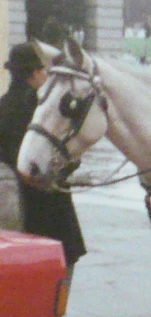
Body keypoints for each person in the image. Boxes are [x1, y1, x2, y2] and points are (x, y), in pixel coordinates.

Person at [0, 42, 87, 280]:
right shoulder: (40, 110)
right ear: (36, 72)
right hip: (51, 215)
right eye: (45, 70)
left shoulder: (2, 106)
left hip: (14, 217)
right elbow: (54, 161)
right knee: (55, 291)